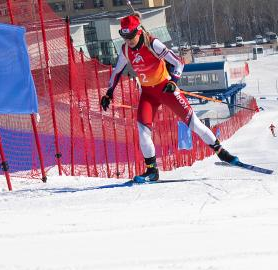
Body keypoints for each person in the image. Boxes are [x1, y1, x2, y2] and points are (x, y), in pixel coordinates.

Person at [100, 14, 236, 182]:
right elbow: (116, 72)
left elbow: (178, 63)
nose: (128, 41)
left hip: (166, 89)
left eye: (130, 36)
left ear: (138, 31)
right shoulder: (125, 50)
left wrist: (174, 81)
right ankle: (152, 171)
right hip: (148, 94)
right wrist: (109, 93)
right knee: (142, 132)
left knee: (194, 124)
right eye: (125, 37)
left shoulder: (152, 43)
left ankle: (222, 153)